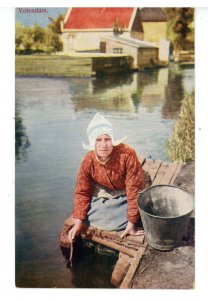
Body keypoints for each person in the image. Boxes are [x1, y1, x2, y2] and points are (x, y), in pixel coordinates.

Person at [68, 112, 145, 243]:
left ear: (112, 140)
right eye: (98, 140)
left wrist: (132, 223)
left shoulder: (127, 154)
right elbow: (82, 191)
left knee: (140, 209)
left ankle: (125, 219)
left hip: (126, 189)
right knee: (85, 215)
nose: (103, 145)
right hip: (105, 190)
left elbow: (134, 189)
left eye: (107, 139)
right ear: (93, 142)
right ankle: (112, 214)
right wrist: (78, 222)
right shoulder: (88, 160)